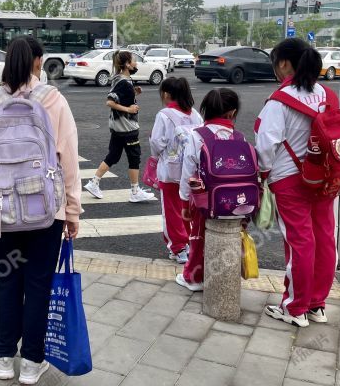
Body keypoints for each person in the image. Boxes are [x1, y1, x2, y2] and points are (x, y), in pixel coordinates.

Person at [0, 37, 82, 385]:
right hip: (45, 212)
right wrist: (73, 210)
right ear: (39, 62)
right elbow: (68, 159)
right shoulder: (53, 99)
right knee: (39, 285)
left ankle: (4, 356)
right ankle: (32, 363)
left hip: (4, 210)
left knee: (7, 280)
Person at [256, 38, 333, 327]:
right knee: (324, 238)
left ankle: (295, 307)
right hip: (325, 178)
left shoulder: (280, 100)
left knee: (300, 242)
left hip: (290, 181)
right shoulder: (326, 93)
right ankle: (317, 304)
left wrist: (262, 175)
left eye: (275, 62)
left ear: (285, 63)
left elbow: (266, 146)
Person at [177, 88, 241, 291]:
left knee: (198, 237)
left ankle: (194, 277)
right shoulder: (238, 136)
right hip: (234, 199)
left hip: (204, 198)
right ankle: (223, 279)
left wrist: (184, 202)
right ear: (232, 112)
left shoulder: (197, 136)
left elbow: (188, 171)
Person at [84, 50, 156, 202]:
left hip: (118, 127)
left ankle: (94, 182)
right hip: (127, 128)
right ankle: (135, 192)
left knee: (113, 155)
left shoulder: (121, 79)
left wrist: (134, 93)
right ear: (127, 64)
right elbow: (110, 101)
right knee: (134, 158)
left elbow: (120, 97)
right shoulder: (123, 82)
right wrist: (129, 109)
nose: (136, 63)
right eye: (134, 61)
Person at [149, 77, 202, 264]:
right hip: (191, 171)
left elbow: (156, 142)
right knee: (188, 207)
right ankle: (189, 243)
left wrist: (157, 156)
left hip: (170, 171)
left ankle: (178, 247)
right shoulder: (195, 114)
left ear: (166, 94)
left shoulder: (164, 115)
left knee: (171, 210)